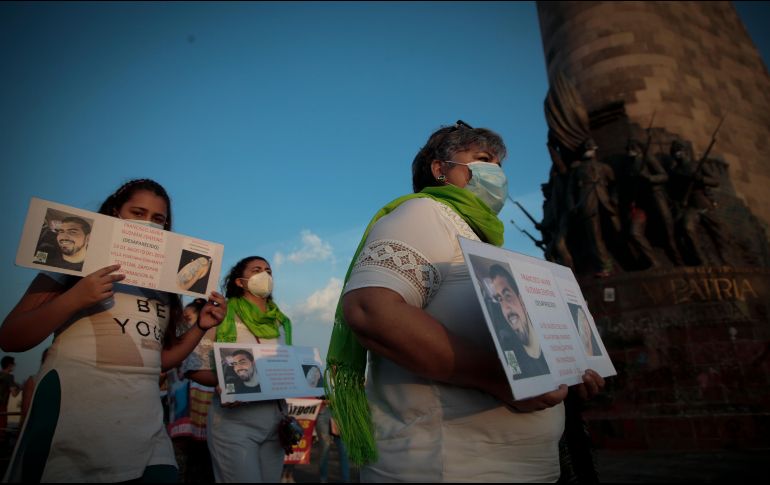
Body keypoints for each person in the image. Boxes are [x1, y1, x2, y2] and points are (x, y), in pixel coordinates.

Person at [326, 121, 604, 481]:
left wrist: (568, 373)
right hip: (447, 465)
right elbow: (370, 310)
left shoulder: (479, 240)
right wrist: (499, 379)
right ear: (440, 169)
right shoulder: (425, 213)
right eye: (484, 159)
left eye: (500, 165)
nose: (497, 173)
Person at [0, 178, 227, 482]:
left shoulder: (167, 285)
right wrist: (75, 298)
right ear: (115, 213)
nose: (147, 223)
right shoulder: (72, 263)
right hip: (76, 415)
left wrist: (201, 327)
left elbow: (158, 360)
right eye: (138, 212)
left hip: (145, 425)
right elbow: (11, 337)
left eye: (158, 219)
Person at [184, 256, 293, 483]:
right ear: (239, 282)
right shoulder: (221, 314)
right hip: (235, 424)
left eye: (268, 270)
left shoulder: (280, 321)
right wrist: (225, 382)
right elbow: (193, 367)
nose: (265, 275)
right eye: (256, 270)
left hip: (275, 422)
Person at [488, 263, 550, 380]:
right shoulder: (509, 352)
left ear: (523, 301)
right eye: (500, 299)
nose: (505, 307)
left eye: (507, 295)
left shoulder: (549, 342)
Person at [316, 399, 350, 483]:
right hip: (323, 413)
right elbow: (311, 393)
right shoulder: (320, 384)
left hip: (341, 413)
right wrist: (322, 400)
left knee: (344, 450)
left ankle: (345, 480)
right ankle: (323, 479)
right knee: (324, 449)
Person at [0, 356, 21, 442]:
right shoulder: (9, 377)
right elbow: (14, 394)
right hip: (2, 406)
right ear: (10, 365)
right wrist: (20, 388)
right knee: (1, 429)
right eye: (14, 364)